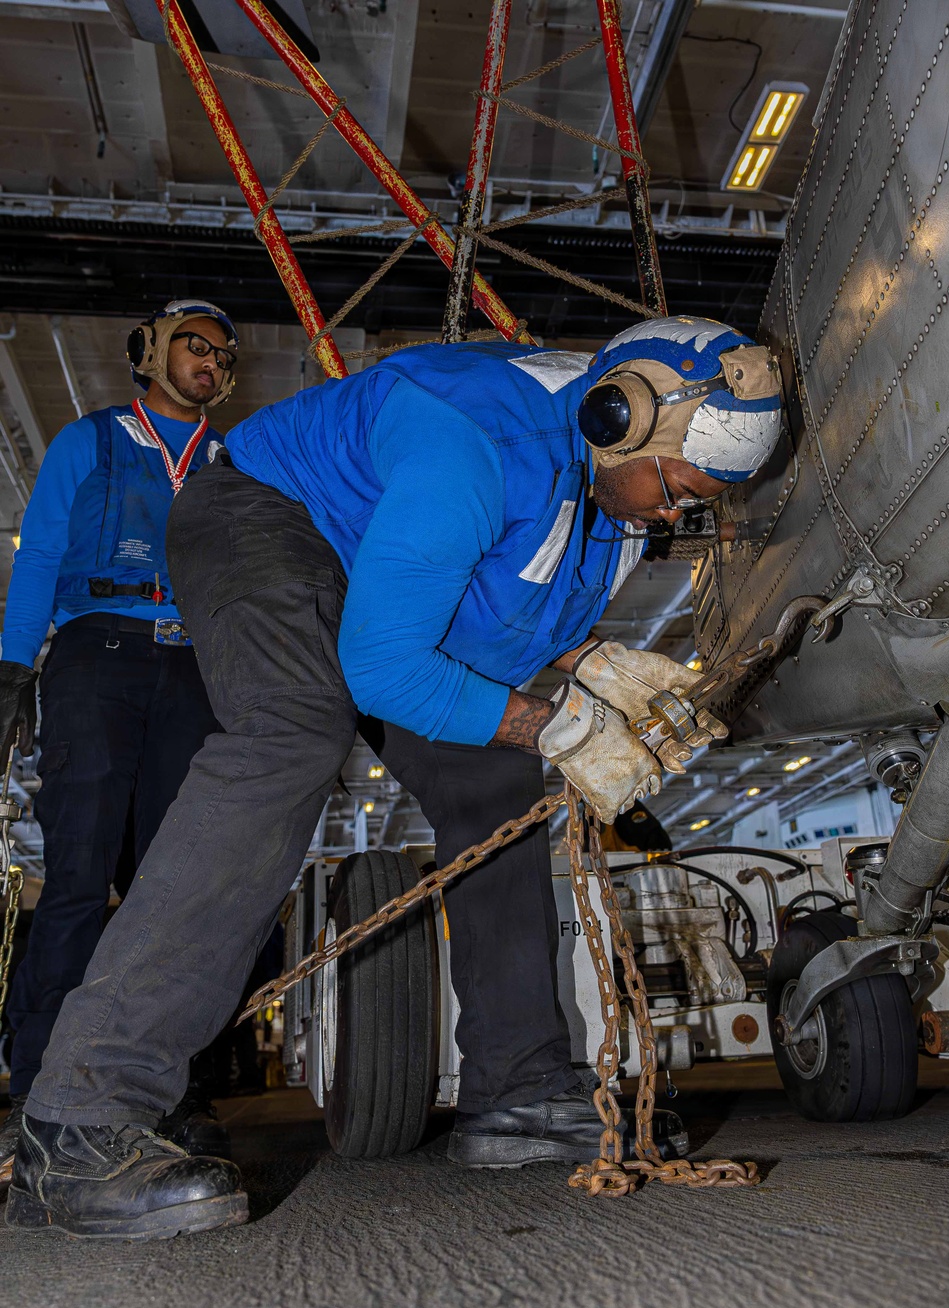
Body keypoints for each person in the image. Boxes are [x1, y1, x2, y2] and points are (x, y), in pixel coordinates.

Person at [4, 314, 783, 1239]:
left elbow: (498, 619)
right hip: (270, 522)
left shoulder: (612, 493)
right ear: (618, 419)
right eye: (675, 489)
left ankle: (521, 1090)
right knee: (294, 730)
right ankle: (81, 1114)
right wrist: (553, 723)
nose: (673, 514)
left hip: (389, 577)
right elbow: (382, 669)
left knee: (496, 786)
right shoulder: (477, 443)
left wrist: (593, 670)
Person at [0, 299, 240, 1186]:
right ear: (148, 354)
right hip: (98, 652)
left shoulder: (233, 460)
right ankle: (36, 1090)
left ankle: (170, 1093)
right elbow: (37, 559)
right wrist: (12, 671)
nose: (210, 361)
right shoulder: (89, 442)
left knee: (171, 887)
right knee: (79, 878)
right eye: (193, 346)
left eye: (222, 353)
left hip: (197, 667)